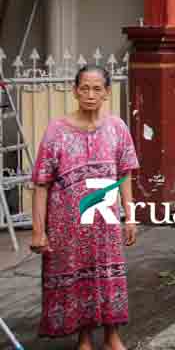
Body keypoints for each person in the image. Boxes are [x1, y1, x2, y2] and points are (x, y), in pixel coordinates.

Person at [30, 65, 139, 349]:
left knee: (107, 273)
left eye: (97, 89)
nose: (90, 95)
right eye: (85, 88)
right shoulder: (56, 130)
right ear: (75, 91)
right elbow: (41, 182)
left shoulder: (117, 127)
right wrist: (38, 231)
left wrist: (131, 217)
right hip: (67, 221)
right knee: (78, 276)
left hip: (105, 217)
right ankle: (84, 337)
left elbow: (125, 173)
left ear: (106, 92)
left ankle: (112, 335)